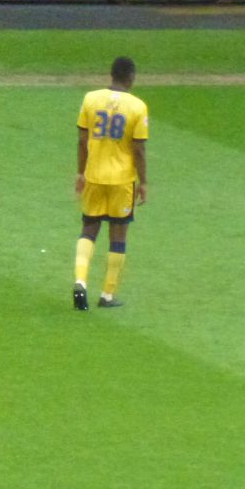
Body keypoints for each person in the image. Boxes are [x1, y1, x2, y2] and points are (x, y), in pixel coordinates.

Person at [73, 56, 148, 311]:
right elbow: (139, 150)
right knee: (118, 236)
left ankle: (80, 281)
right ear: (130, 78)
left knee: (88, 230)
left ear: (111, 75)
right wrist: (144, 182)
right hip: (122, 180)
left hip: (94, 175)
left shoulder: (90, 99)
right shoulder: (137, 107)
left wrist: (80, 173)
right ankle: (107, 295)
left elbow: (82, 141)